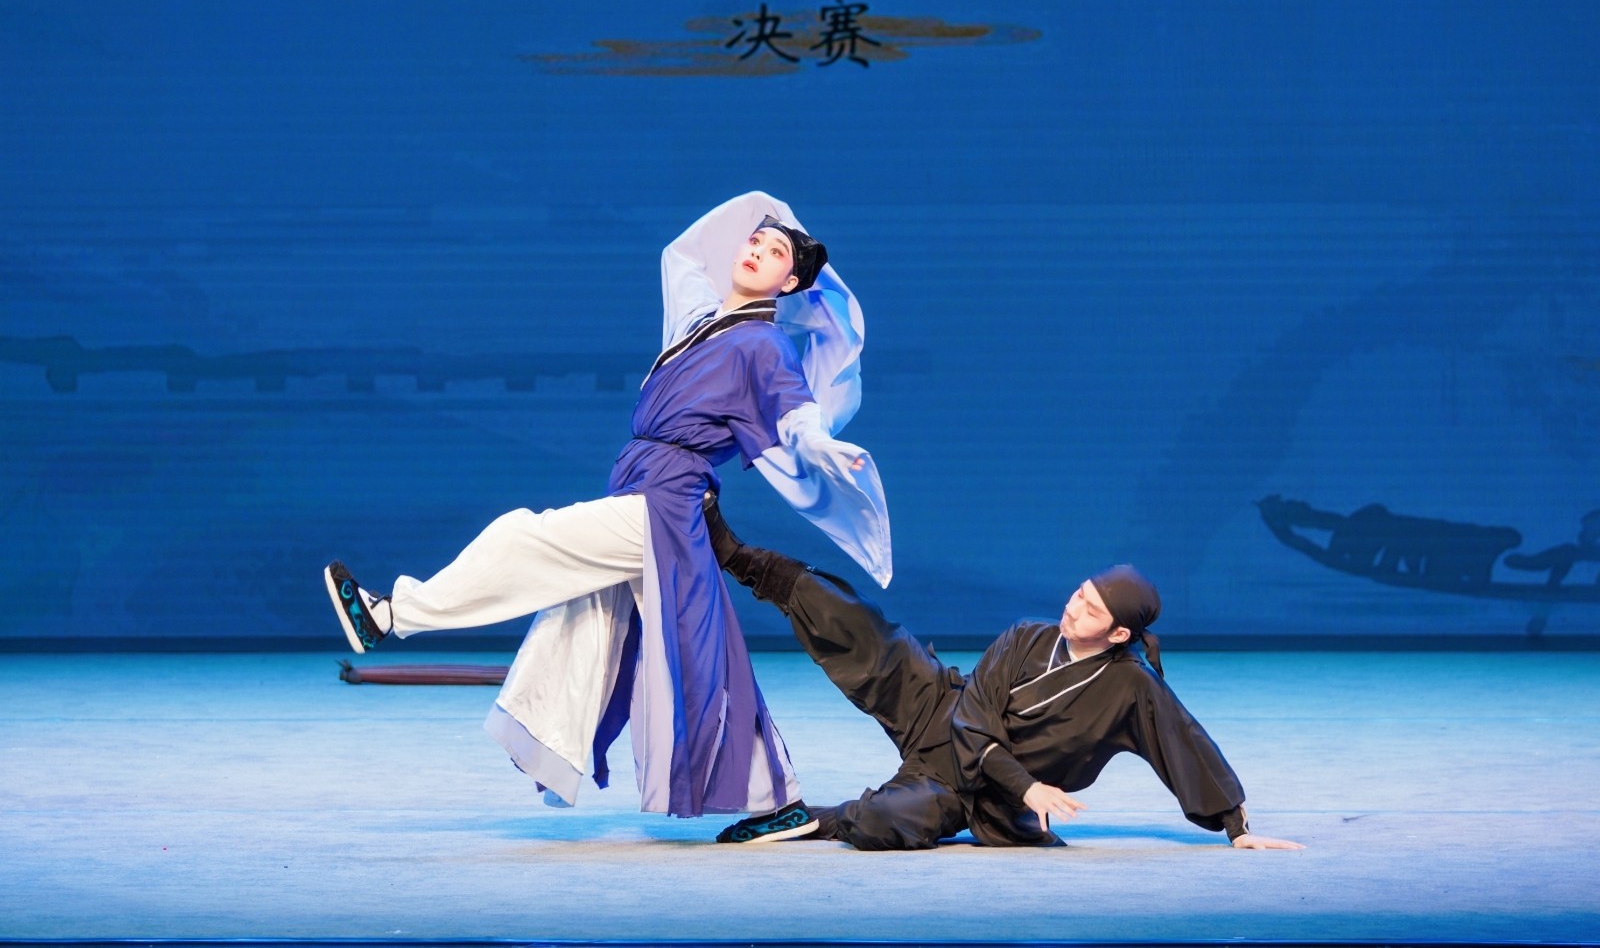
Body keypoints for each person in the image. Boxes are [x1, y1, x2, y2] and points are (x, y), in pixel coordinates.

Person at [324, 192, 892, 843]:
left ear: (789, 283)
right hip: (643, 486)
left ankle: (391, 616)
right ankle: (777, 800)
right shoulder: (701, 322)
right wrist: (763, 207)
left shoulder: (764, 344)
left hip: (665, 504)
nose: (757, 250)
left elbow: (795, 413)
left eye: (776, 252)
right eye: (754, 240)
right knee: (637, 636)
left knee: (522, 537)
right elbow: (680, 255)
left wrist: (822, 447)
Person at [702, 493, 1303, 851]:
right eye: (1080, 593)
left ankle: (812, 820)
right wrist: (1031, 788)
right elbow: (972, 718)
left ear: (1119, 634)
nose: (1074, 607)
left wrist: (1235, 825)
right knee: (860, 626)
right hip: (940, 708)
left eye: (1092, 610)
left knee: (888, 821)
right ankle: (735, 554)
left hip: (970, 789)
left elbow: (1183, 740)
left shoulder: (1130, 686)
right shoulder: (1028, 635)